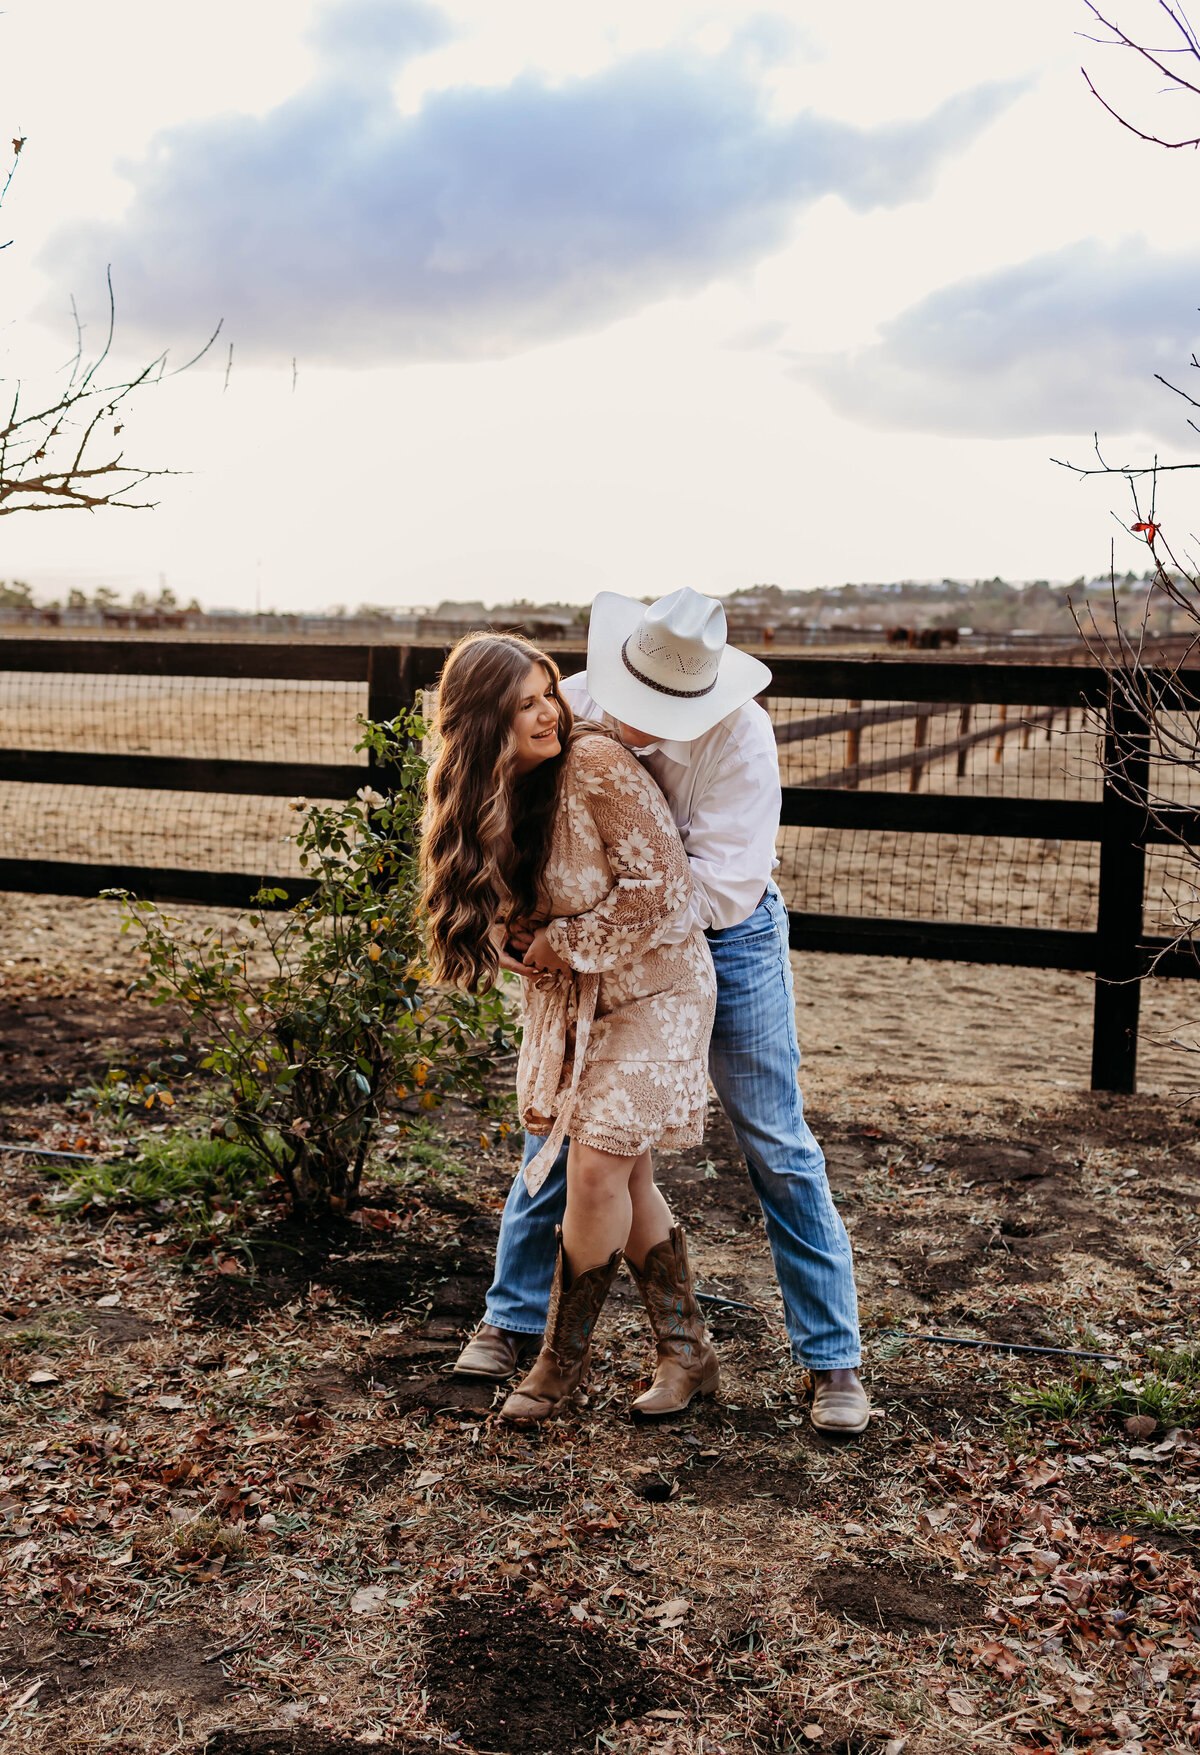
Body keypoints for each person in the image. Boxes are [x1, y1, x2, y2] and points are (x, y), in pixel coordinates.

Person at [454, 588, 870, 1436]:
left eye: (659, 717)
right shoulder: (568, 698)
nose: (634, 725)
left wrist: (572, 933)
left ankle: (834, 1361)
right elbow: (521, 814)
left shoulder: (742, 737)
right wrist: (517, 919)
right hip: (598, 943)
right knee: (569, 1140)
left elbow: (706, 891)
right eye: (628, 705)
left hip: (723, 933)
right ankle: (516, 1319)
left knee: (774, 1139)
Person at [420, 631, 719, 1425]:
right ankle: (688, 1349)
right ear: (485, 722)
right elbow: (484, 895)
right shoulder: (486, 792)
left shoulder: (594, 764)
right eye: (526, 704)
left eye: (548, 691)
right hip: (578, 1003)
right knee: (627, 1178)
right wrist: (498, 932)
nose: (550, 711)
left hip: (657, 988)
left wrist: (565, 943)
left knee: (592, 1172)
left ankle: (561, 1361)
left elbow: (661, 888)